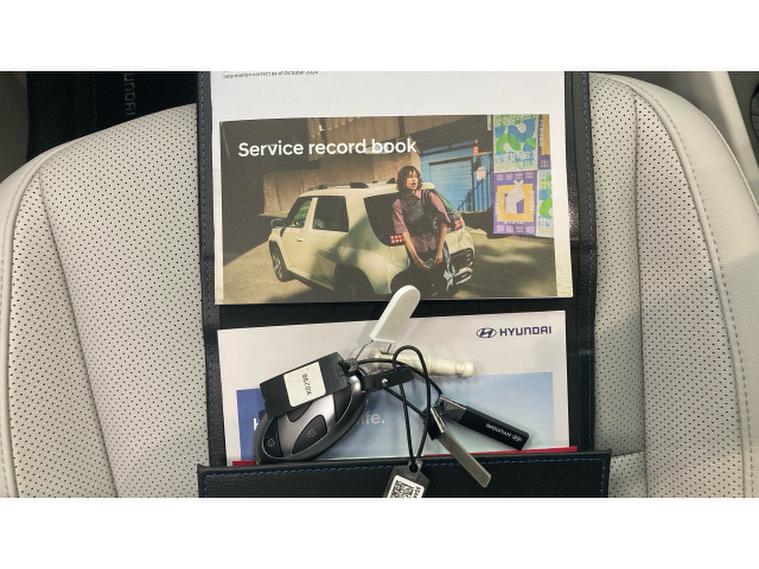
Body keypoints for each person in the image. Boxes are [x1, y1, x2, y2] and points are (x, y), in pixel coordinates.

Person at [391, 165, 456, 295]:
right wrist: (416, 260)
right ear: (402, 180)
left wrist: (439, 252)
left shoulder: (428, 196)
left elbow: (444, 222)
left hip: (437, 249)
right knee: (423, 290)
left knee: (444, 287)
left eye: (416, 177)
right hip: (418, 253)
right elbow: (404, 232)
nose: (414, 180)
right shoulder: (397, 204)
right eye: (410, 177)